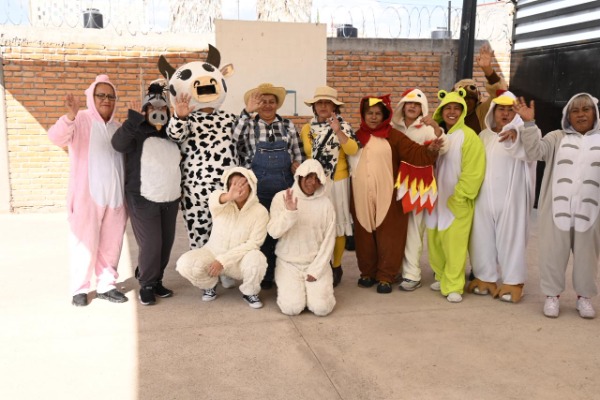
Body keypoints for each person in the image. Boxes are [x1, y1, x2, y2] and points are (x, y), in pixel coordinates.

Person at [514, 93, 600, 319]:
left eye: (586, 110)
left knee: (587, 258)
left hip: (590, 213)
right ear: (567, 116)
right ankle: (552, 296)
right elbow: (534, 152)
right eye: (575, 111)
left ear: (595, 113)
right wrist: (529, 124)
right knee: (552, 255)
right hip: (556, 211)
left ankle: (584, 298)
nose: (581, 115)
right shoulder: (556, 137)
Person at [48, 75, 128, 306]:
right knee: (84, 242)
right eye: (100, 95)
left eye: (110, 96)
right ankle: (80, 288)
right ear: (91, 97)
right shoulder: (80, 119)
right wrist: (70, 116)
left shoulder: (117, 128)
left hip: (115, 199)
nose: (106, 100)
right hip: (87, 197)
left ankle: (106, 285)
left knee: (112, 243)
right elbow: (56, 138)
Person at [351, 95, 442, 294]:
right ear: (363, 115)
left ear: (385, 116)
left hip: (387, 193)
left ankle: (386, 275)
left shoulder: (393, 135)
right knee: (364, 233)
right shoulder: (355, 137)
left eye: (378, 114)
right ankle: (367, 272)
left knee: (389, 235)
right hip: (360, 193)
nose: (373, 117)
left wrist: (430, 150)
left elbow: (414, 152)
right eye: (370, 113)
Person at [161, 45, 237, 250]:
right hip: (195, 190)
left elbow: (242, 144)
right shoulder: (186, 119)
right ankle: (202, 269)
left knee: (227, 236)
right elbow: (174, 135)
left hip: (227, 187)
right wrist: (180, 116)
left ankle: (224, 265)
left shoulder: (231, 118)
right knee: (199, 237)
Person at [111, 81, 181, 306]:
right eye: (152, 108)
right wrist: (132, 120)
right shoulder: (137, 130)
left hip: (169, 197)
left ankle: (156, 279)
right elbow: (118, 144)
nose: (158, 112)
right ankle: (147, 284)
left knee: (166, 243)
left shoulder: (173, 133)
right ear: (145, 109)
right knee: (151, 244)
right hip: (143, 197)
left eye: (162, 108)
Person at [232, 83, 305, 290]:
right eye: (262, 101)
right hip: (257, 187)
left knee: (284, 230)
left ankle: (284, 274)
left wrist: (298, 168)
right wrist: (247, 112)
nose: (267, 105)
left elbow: (298, 152)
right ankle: (264, 274)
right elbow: (233, 139)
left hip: (285, 186)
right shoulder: (248, 124)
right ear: (256, 104)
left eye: (271, 101)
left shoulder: (288, 125)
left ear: (277, 104)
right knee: (261, 232)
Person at [467, 90, 537, 303]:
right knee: (481, 237)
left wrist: (520, 134)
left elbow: (533, 152)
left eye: (509, 110)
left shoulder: (523, 133)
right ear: (493, 111)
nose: (505, 114)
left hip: (511, 198)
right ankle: (485, 277)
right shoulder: (484, 136)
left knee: (511, 239)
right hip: (484, 197)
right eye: (501, 109)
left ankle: (513, 281)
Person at [176, 167, 269, 309]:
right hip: (213, 254)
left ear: (251, 185)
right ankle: (209, 285)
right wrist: (229, 196)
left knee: (258, 258)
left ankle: (250, 292)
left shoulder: (260, 211)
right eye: (233, 184)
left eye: (242, 184)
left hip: (238, 261)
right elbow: (214, 199)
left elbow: (254, 244)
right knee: (185, 264)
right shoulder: (221, 203)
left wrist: (223, 261)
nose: (238, 188)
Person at [425, 89, 486, 303]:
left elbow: (474, 170)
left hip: (456, 201)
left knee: (455, 244)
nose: (452, 112)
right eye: (447, 108)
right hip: (437, 200)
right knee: (436, 241)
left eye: (456, 108)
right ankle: (442, 276)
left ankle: (454, 285)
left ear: (463, 111)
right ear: (441, 111)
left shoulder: (469, 137)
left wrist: (460, 196)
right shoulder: (441, 135)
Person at [300, 86, 359, 287]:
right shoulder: (307, 129)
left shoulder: (344, 126)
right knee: (316, 225)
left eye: (327, 102)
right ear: (314, 106)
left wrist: (338, 131)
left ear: (334, 106)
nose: (323, 106)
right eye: (319, 102)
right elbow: (305, 155)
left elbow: (352, 150)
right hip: (314, 183)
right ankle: (320, 263)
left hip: (337, 181)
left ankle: (336, 265)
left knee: (338, 224)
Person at [391, 88, 448, 291]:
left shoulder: (426, 128)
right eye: (409, 103)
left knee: (414, 230)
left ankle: (412, 274)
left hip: (419, 185)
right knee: (397, 229)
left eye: (417, 104)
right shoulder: (393, 127)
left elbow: (444, 147)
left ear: (422, 108)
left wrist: (437, 129)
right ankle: (395, 268)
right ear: (403, 105)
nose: (412, 107)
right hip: (397, 183)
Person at [268, 159, 336, 316]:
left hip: (316, 263)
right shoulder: (281, 198)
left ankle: (314, 293)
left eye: (317, 179)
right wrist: (290, 213)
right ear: (299, 176)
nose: (312, 183)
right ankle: (299, 292)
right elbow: (273, 232)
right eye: (309, 177)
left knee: (322, 308)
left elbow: (329, 241)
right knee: (291, 308)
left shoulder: (326, 204)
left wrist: (316, 270)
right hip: (289, 263)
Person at [453, 43, 508, 134]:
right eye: (462, 97)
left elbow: (500, 94)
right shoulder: (448, 115)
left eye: (470, 98)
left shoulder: (482, 111)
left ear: (477, 100)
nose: (466, 101)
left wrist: (488, 70)